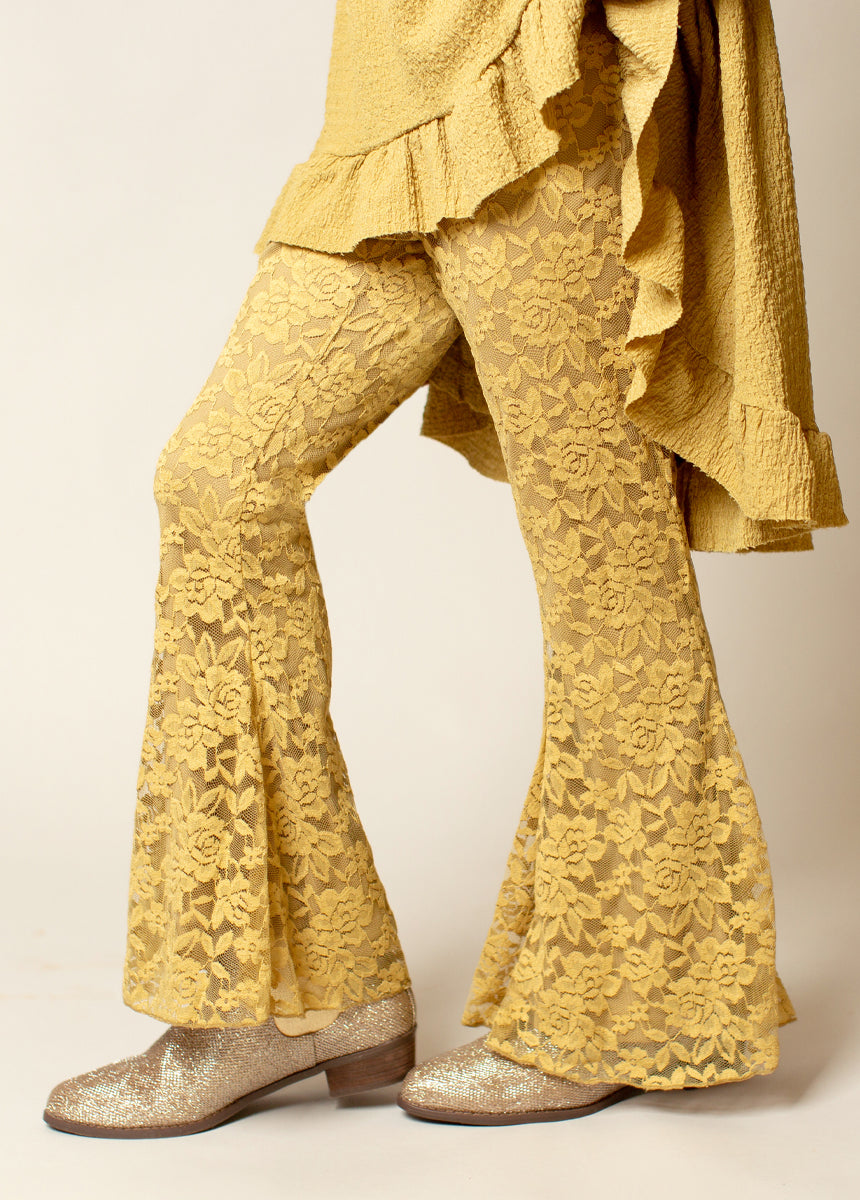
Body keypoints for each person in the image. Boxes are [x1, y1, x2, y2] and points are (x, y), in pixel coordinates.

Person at [43, 0, 848, 1136]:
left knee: (603, 569)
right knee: (218, 480)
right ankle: (296, 998)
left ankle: (619, 1010)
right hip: (387, 106)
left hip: (548, 96)